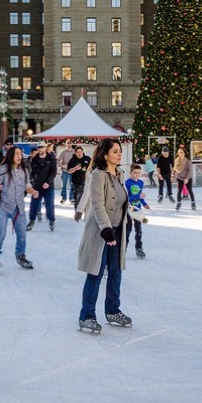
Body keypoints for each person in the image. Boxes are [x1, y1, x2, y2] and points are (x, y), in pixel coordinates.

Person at [77, 139, 130, 334]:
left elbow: (121, 201)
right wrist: (106, 229)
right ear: (105, 154)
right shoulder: (98, 175)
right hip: (101, 231)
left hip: (117, 230)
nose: (119, 154)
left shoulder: (120, 175)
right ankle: (87, 316)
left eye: (120, 151)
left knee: (116, 272)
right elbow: (98, 204)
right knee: (96, 272)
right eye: (115, 151)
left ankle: (112, 310)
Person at [0, 145, 39, 274]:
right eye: (16, 154)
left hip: (18, 208)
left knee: (22, 234)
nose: (19, 156)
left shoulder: (24, 171)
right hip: (3, 207)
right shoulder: (3, 169)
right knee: (1, 233)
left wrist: (32, 191)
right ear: (11, 155)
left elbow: (27, 185)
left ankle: (20, 256)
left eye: (20, 154)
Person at [27, 142, 57, 231]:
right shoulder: (34, 159)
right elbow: (31, 172)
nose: (40, 149)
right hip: (37, 186)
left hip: (48, 186)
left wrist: (48, 182)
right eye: (39, 147)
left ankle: (51, 220)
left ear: (45, 148)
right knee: (34, 204)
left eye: (42, 147)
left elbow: (53, 172)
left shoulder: (51, 158)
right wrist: (32, 180)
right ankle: (32, 220)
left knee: (49, 204)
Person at [125, 163, 150, 259]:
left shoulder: (140, 182)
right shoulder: (127, 183)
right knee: (128, 229)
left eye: (139, 173)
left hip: (137, 209)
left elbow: (140, 196)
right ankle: (124, 248)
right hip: (128, 208)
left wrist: (144, 204)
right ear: (130, 173)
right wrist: (138, 196)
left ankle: (139, 248)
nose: (137, 175)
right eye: (135, 173)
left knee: (138, 229)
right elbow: (127, 197)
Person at [67, 145, 92, 211]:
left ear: (83, 152)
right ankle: (77, 212)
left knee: (87, 199)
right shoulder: (72, 160)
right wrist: (75, 168)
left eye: (80, 152)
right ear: (75, 153)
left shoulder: (87, 159)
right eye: (77, 152)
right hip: (76, 183)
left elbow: (93, 168)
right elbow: (69, 171)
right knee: (78, 199)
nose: (79, 154)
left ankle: (86, 212)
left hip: (87, 182)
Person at [57, 140, 75, 204]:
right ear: (66, 144)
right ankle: (63, 198)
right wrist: (62, 165)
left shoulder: (74, 152)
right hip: (64, 171)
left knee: (72, 185)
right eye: (68, 143)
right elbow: (58, 160)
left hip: (72, 171)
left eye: (70, 143)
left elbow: (77, 160)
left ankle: (72, 198)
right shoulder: (63, 152)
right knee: (63, 185)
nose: (69, 144)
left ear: (72, 143)